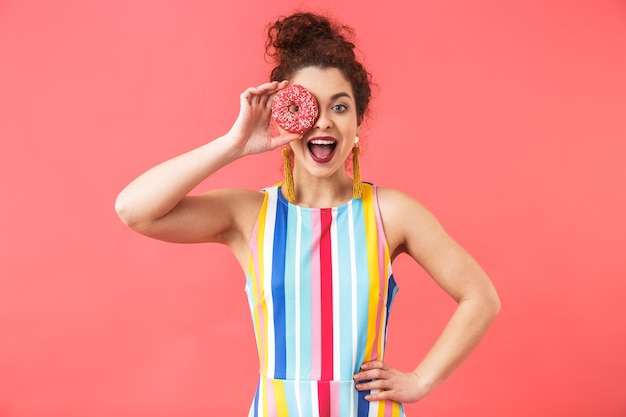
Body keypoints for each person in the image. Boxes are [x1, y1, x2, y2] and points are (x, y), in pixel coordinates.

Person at [115, 11, 500, 417]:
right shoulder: (249, 214)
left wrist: (421, 381)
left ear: (357, 123)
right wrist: (235, 144)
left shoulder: (391, 212)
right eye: (306, 106)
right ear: (284, 117)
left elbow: (481, 296)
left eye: (339, 106)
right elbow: (134, 209)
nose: (323, 121)